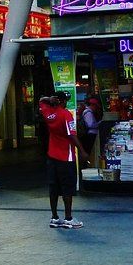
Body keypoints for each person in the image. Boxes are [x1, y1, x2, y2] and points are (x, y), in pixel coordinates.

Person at [38, 91, 82, 228]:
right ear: (62, 101)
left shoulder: (48, 113)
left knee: (54, 187)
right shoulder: (66, 114)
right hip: (66, 157)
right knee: (67, 188)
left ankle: (55, 217)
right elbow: (72, 135)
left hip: (52, 156)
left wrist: (48, 99)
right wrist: (83, 151)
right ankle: (68, 218)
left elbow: (41, 100)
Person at [80, 97, 102, 168]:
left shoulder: (89, 112)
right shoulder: (88, 113)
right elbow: (90, 124)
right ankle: (86, 166)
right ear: (93, 105)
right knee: (89, 151)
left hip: (90, 135)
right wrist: (99, 124)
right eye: (96, 107)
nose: (96, 109)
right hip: (90, 136)